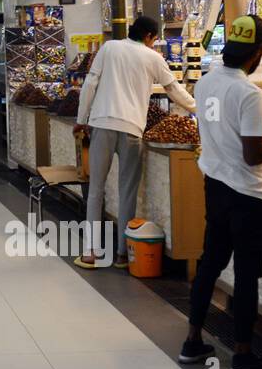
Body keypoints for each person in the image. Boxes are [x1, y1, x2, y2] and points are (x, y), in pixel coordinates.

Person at [182, 15, 262, 369]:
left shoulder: (204, 84)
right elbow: (254, 155)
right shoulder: (249, 93)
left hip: (216, 187)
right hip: (248, 194)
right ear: (258, 53)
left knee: (209, 264)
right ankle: (244, 354)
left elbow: (222, 130)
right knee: (248, 275)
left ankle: (192, 341)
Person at [74, 15, 196, 269]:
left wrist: (81, 118)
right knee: (126, 191)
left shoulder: (109, 48)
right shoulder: (153, 57)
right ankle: (122, 253)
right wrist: (197, 107)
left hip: (103, 123)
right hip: (132, 129)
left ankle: (90, 252)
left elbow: (91, 83)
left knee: (96, 189)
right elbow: (173, 89)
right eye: (154, 39)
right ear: (149, 36)